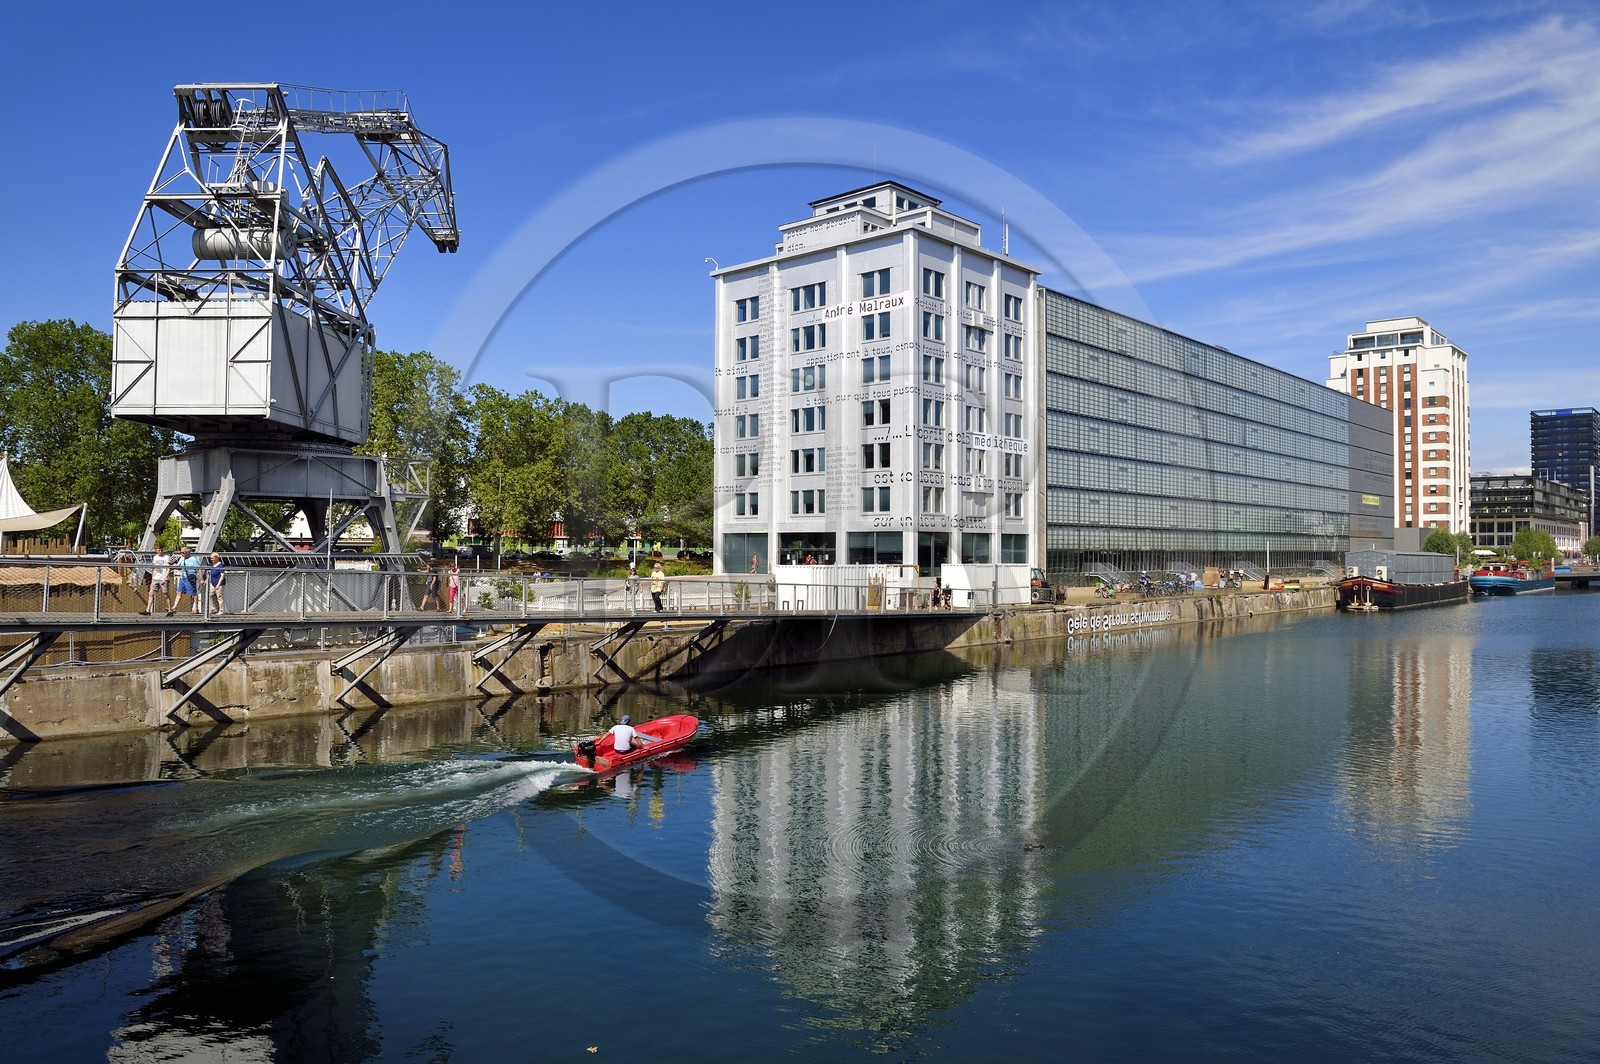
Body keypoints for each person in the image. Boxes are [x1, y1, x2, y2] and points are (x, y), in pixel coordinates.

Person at [170, 546, 202, 615]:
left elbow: (199, 569)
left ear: (187, 553)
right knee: (179, 592)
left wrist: (201, 579)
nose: (181, 554)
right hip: (183, 578)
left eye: (183, 552)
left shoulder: (193, 559)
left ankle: (196, 608)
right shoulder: (182, 558)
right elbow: (179, 566)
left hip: (190, 578)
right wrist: (174, 565)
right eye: (181, 552)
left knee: (193, 593)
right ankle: (174, 607)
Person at [142, 546, 172, 615]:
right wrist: (152, 580)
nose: (160, 552)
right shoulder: (155, 557)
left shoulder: (166, 557)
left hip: (163, 578)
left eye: (161, 550)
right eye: (158, 550)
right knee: (151, 593)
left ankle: (170, 610)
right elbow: (155, 569)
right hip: (156, 578)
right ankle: (147, 610)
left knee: (166, 594)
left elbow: (168, 568)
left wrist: (165, 578)